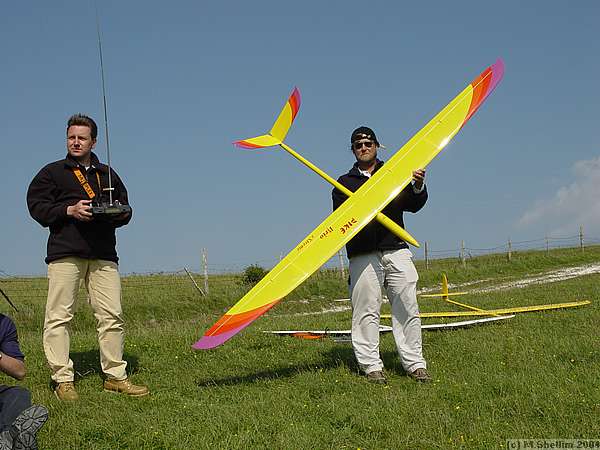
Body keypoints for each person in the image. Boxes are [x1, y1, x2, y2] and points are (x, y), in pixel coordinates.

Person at [26, 114, 148, 401]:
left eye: (82, 137)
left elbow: (125, 207)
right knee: (58, 317)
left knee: (112, 315)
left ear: (94, 141)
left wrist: (119, 213)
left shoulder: (107, 173)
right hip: (65, 253)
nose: (76, 142)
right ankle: (63, 380)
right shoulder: (52, 173)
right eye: (71, 137)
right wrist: (69, 210)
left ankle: (115, 377)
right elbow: (36, 206)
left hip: (104, 254)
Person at [332, 126, 431, 384]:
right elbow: (342, 223)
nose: (363, 148)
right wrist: (362, 204)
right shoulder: (343, 183)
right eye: (358, 145)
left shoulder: (394, 173)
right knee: (365, 310)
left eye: (368, 143)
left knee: (407, 306)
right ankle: (371, 366)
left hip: (396, 248)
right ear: (353, 151)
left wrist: (417, 185)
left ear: (377, 145)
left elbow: (413, 204)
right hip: (363, 254)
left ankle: (415, 364)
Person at [0, 313, 48, 450]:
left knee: (18, 394)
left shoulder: (4, 324)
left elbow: (20, 371)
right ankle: (15, 436)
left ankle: (8, 435)